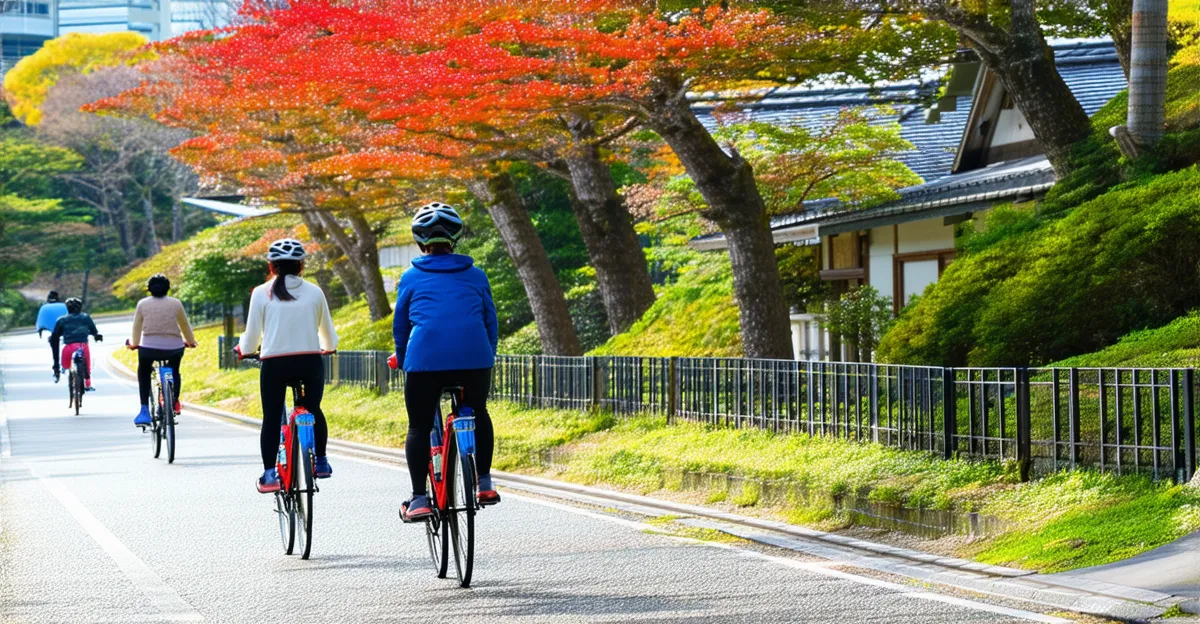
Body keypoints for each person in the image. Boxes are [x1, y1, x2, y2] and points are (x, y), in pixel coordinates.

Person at [394, 202, 499, 522]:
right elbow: (490, 321)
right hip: (475, 360)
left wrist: (401, 358)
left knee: (419, 426)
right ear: (455, 238)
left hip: (425, 362)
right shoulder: (476, 275)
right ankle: (483, 482)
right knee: (478, 411)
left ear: (419, 241)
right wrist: (486, 354)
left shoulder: (411, 276)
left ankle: (419, 498)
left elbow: (401, 325)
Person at [235, 238, 338, 493]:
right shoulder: (315, 291)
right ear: (301, 265)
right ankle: (322, 462)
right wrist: (327, 346)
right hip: (310, 362)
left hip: (275, 365)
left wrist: (243, 350)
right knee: (313, 409)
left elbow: (251, 338)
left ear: (271, 266)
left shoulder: (261, 292)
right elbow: (329, 335)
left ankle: (270, 474)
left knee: (271, 417)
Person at [128, 274, 197, 427]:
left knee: (144, 371)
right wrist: (190, 342)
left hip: (148, 349)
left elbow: (137, 327)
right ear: (168, 288)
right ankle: (173, 401)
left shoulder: (142, 304)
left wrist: (134, 343)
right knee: (174, 371)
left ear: (149, 289)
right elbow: (184, 325)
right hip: (174, 348)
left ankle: (144, 409)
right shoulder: (176, 303)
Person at [49, 298, 102, 389]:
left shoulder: (61, 320)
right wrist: (97, 336)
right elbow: (94, 331)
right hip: (83, 346)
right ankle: (87, 382)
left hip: (68, 348)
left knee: (65, 365)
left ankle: (56, 368)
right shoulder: (86, 317)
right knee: (87, 364)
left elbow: (55, 335)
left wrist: (53, 339)